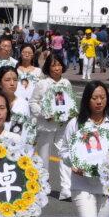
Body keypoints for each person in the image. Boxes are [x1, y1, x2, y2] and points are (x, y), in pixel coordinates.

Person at [61, 81, 109, 217]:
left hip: (107, 186)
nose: (99, 101)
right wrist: (73, 163)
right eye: (94, 98)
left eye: (102, 97)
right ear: (87, 99)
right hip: (82, 184)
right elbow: (64, 150)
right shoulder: (76, 123)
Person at [32, 53, 74, 201]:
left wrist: (70, 112)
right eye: (53, 65)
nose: (57, 68)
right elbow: (33, 102)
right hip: (47, 125)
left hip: (63, 124)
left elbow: (70, 101)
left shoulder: (66, 83)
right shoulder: (42, 84)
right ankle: (43, 185)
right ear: (48, 68)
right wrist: (44, 113)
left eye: (59, 64)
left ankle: (66, 189)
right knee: (44, 155)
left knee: (64, 153)